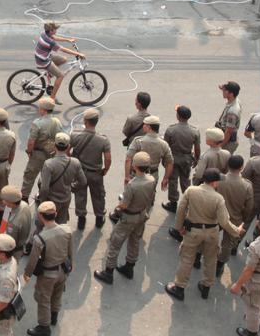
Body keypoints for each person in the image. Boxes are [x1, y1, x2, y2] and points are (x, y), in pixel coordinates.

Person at [165, 169, 244, 301]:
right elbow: (224, 222)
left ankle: (179, 288)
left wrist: (179, 228)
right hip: (212, 233)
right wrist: (237, 231)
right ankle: (206, 287)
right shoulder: (218, 198)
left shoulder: (191, 191)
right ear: (214, 182)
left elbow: (181, 210)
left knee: (186, 259)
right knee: (210, 259)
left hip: (193, 231)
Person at [94, 151, 156, 285]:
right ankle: (129, 267)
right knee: (134, 242)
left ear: (135, 166)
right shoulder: (151, 180)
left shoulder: (132, 185)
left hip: (129, 217)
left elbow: (125, 204)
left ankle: (108, 272)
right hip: (141, 215)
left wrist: (118, 207)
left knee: (115, 243)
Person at [23, 201, 70, 336]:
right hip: (62, 270)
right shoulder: (66, 230)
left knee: (43, 299)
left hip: (48, 274)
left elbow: (32, 261)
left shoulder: (40, 238)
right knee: (57, 294)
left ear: (40, 216)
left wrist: (27, 274)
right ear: (55, 214)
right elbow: (70, 252)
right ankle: (54, 316)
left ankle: (44, 327)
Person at [34, 22, 85, 101]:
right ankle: (52, 97)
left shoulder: (44, 33)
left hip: (43, 55)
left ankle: (50, 73)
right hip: (43, 60)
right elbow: (63, 49)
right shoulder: (50, 42)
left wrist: (68, 40)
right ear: (51, 30)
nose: (56, 30)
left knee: (64, 59)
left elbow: (54, 37)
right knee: (60, 76)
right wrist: (78, 54)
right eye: (55, 29)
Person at [162, 106, 201, 211]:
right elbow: (197, 148)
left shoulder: (171, 130)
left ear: (178, 116)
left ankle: (173, 203)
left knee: (173, 180)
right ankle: (188, 201)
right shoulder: (195, 131)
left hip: (173, 158)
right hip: (187, 159)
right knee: (185, 180)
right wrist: (197, 159)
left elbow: (165, 147)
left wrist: (164, 160)